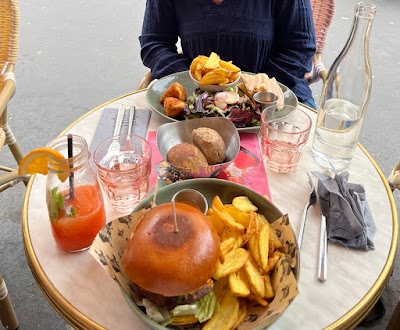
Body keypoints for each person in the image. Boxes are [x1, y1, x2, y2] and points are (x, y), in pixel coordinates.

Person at [139, 0, 317, 109]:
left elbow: (301, 47)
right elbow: (154, 44)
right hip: (198, 103)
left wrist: (256, 91)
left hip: (274, 100)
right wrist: (193, 82)